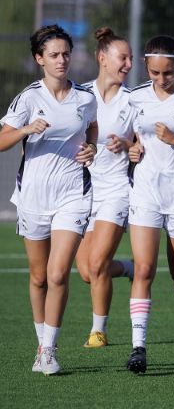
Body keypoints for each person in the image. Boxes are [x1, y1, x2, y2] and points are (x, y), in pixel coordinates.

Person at [0, 24, 97, 375]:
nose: (62, 60)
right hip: (33, 195)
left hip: (73, 194)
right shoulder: (28, 97)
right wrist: (26, 129)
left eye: (66, 54)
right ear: (39, 59)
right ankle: (41, 342)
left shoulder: (85, 97)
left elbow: (93, 128)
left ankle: (49, 350)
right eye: (54, 55)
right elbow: (2, 140)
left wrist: (92, 149)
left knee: (58, 274)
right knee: (39, 276)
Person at [124, 35, 174, 374]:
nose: (161, 80)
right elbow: (133, 136)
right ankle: (138, 347)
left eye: (168, 73)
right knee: (143, 268)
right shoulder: (135, 97)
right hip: (144, 190)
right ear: (147, 67)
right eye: (155, 73)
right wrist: (131, 148)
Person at [74, 27, 135, 349]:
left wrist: (129, 144)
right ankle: (130, 268)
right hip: (83, 192)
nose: (127, 64)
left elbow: (143, 143)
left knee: (97, 264)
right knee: (86, 271)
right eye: (122, 57)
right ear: (102, 58)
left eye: (130, 59)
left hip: (117, 191)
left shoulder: (134, 99)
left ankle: (98, 331)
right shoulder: (80, 96)